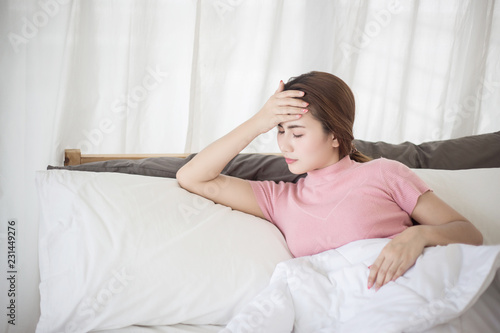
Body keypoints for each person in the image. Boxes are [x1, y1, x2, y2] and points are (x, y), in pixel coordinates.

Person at [176, 71, 483, 291]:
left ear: (334, 134)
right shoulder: (280, 199)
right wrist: (259, 122)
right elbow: (192, 176)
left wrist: (418, 237)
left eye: (297, 133)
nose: (285, 145)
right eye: (279, 131)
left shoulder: (384, 173)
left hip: (404, 297)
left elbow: (469, 234)